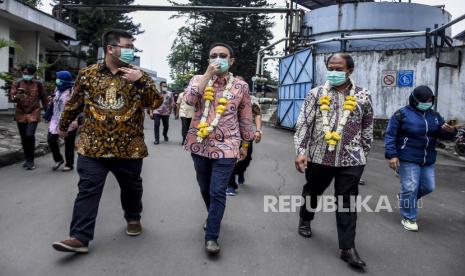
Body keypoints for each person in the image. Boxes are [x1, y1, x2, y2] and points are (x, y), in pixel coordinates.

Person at [52, 29, 162, 253]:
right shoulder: (88, 74)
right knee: (87, 190)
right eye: (127, 46)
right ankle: (79, 237)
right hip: (93, 146)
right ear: (111, 48)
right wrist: (63, 126)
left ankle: (133, 217)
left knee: (132, 188)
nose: (132, 51)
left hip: (128, 147)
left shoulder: (138, 75)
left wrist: (141, 81)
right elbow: (73, 103)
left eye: (132, 47)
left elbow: (155, 103)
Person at [294, 53, 373, 268]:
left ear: (350, 70)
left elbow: (367, 127)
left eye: (339, 68)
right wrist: (301, 151)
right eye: (331, 67)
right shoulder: (316, 94)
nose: (334, 72)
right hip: (320, 156)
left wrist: (363, 153)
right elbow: (304, 124)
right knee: (312, 191)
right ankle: (305, 218)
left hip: (352, 158)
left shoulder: (363, 95)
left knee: (347, 201)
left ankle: (347, 248)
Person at [183, 42, 253, 255]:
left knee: (217, 191)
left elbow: (246, 116)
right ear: (208, 60)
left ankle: (211, 236)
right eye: (213, 55)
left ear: (231, 61)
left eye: (223, 56)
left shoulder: (241, 86)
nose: (218, 59)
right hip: (200, 143)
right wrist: (206, 76)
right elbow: (189, 100)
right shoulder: (197, 80)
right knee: (205, 188)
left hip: (229, 145)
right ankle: (212, 215)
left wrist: (246, 144)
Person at [384, 85, 457, 232]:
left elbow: (443, 135)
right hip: (407, 157)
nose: (428, 102)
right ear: (415, 99)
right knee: (410, 187)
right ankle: (409, 217)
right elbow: (390, 135)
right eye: (425, 100)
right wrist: (392, 155)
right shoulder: (401, 114)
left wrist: (451, 131)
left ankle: (405, 198)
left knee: (428, 187)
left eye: (430, 100)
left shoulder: (435, 116)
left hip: (427, 158)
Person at [9, 64, 48, 170]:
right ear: (22, 73)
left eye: (29, 73)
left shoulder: (38, 84)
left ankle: (31, 160)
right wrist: (18, 96)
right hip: (20, 113)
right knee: (24, 138)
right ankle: (27, 159)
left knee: (30, 135)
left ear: (33, 74)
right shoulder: (17, 83)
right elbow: (12, 97)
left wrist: (48, 112)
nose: (27, 75)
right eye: (25, 73)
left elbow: (44, 98)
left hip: (34, 112)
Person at [226, 93, 263, 196]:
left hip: (246, 135)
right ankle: (230, 185)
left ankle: (240, 171)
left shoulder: (251, 99)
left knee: (246, 158)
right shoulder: (225, 96)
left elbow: (257, 114)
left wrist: (258, 131)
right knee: (230, 158)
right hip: (229, 135)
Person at [46, 71, 78, 171]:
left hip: (69, 120)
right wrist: (52, 100)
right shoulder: (57, 89)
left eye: (59, 78)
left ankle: (69, 164)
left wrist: (75, 120)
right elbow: (56, 101)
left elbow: (78, 106)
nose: (57, 80)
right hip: (56, 119)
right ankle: (58, 159)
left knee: (69, 142)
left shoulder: (73, 91)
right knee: (51, 139)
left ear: (64, 80)